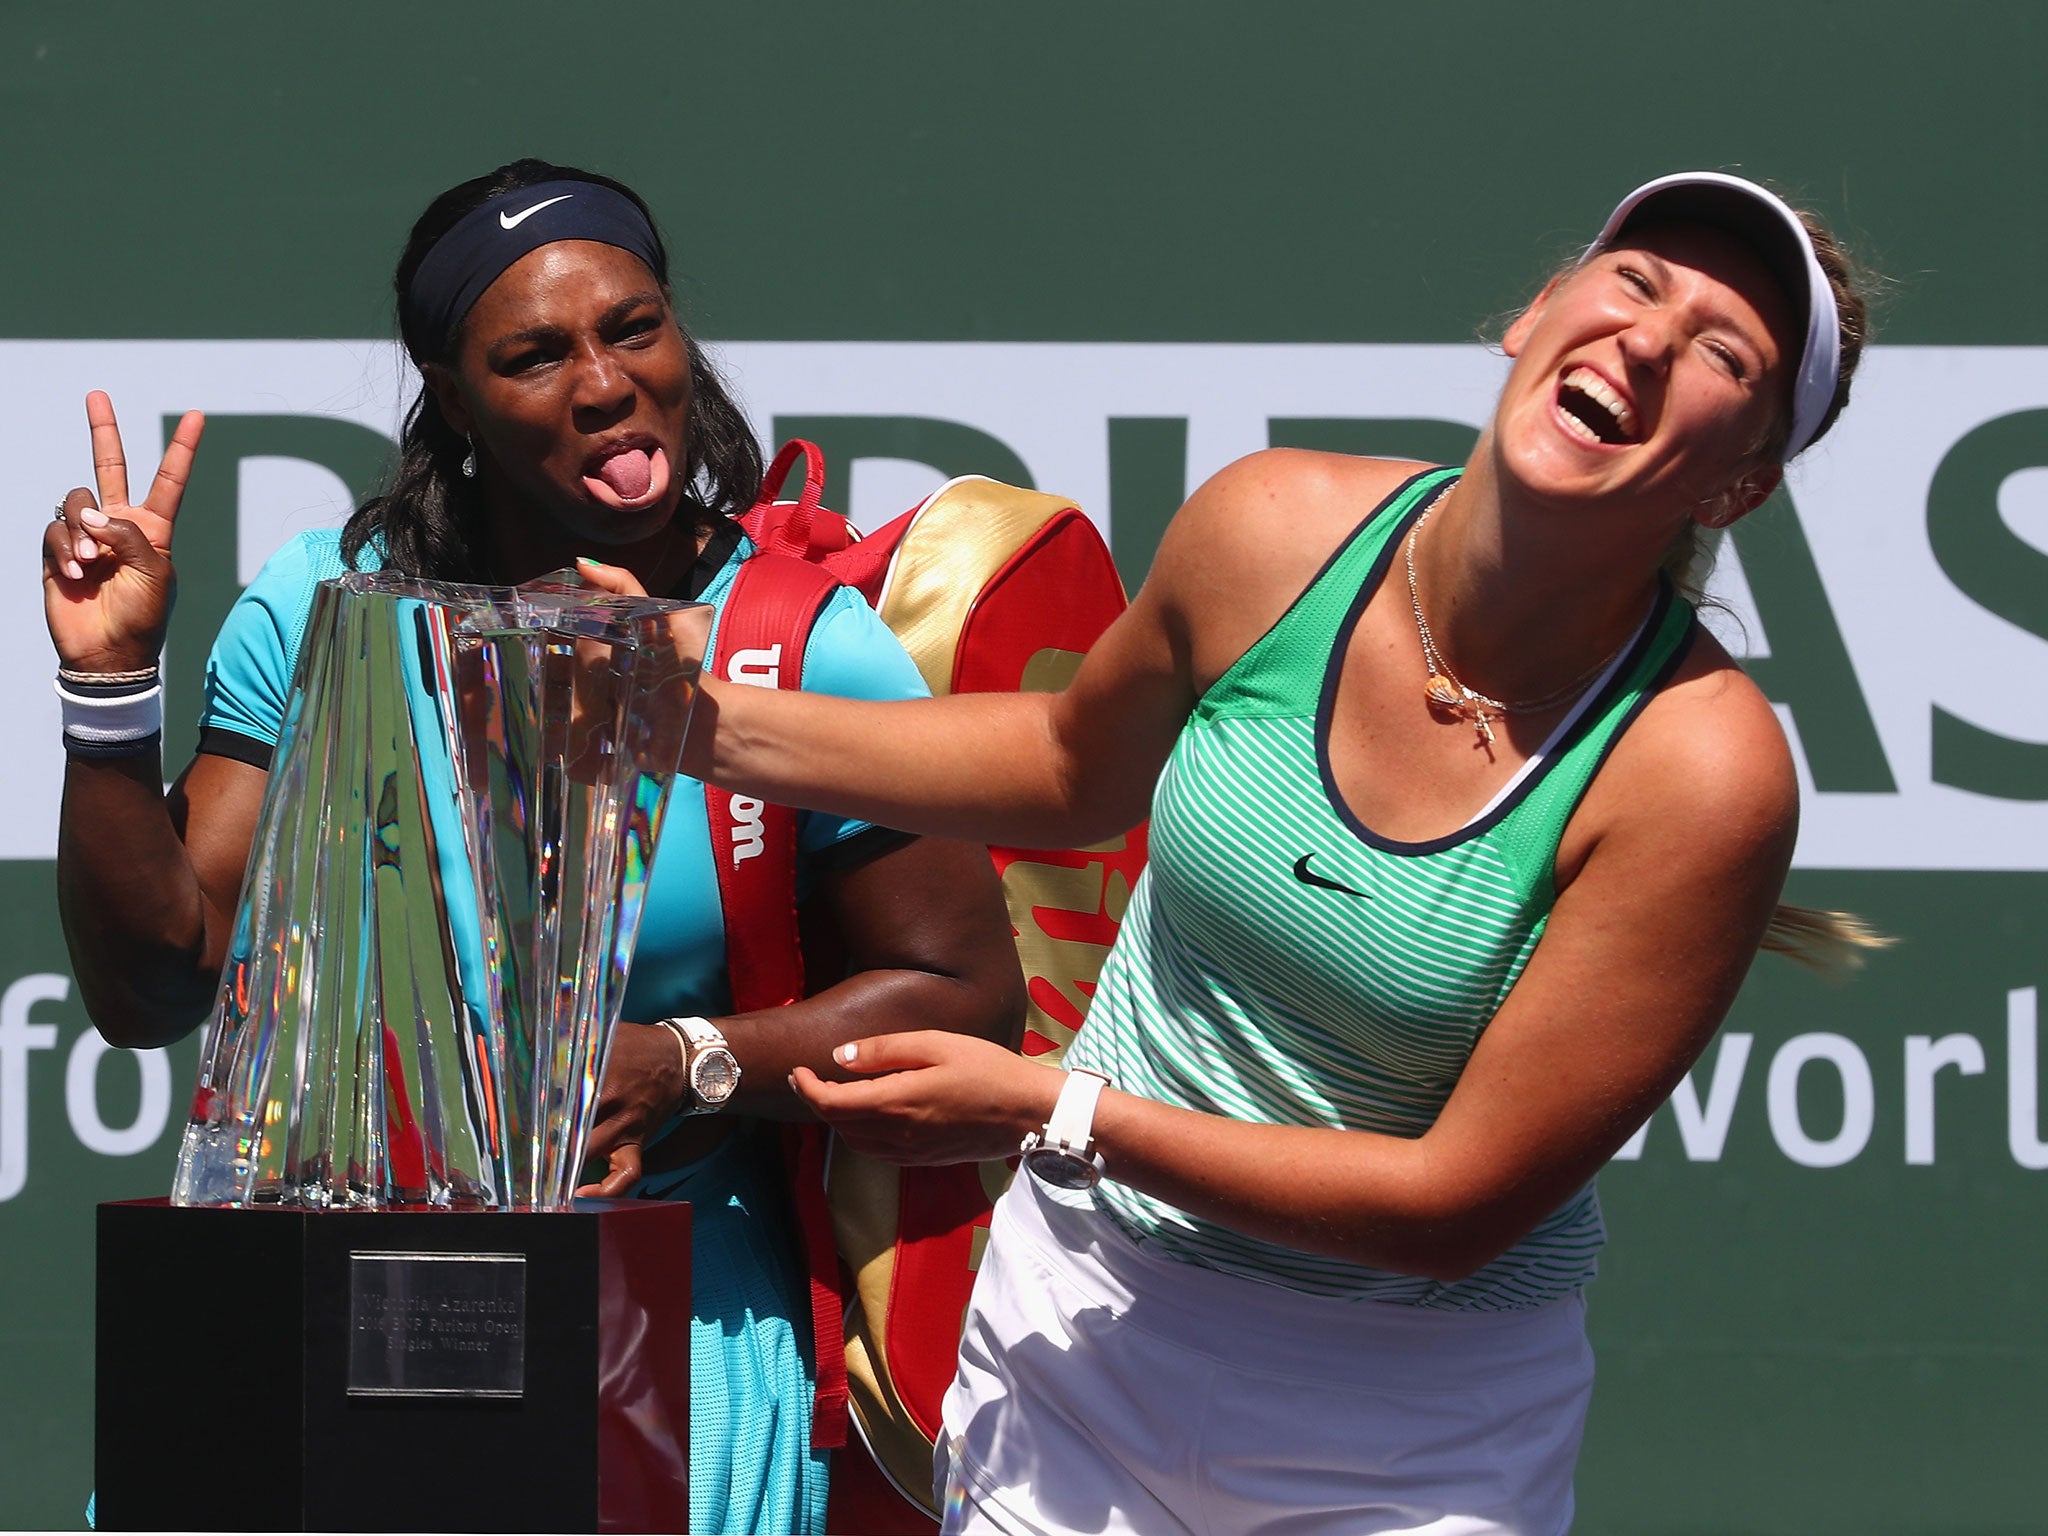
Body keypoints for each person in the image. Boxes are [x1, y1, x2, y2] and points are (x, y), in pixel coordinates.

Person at [594, 171, 1882, 1534]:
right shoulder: (1273, 526)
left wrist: (1055, 1110)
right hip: (1082, 1335)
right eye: (1635, 281)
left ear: (1742, 482)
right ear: (1535, 316)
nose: (1652, 339)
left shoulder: (1701, 771)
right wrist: (698, 720)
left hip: (1411, 1432)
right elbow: (1066, 769)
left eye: (1725, 352)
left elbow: (1454, 1205)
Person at [43, 159, 1025, 1536]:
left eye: (634, 328)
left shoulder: (799, 647)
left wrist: (687, 1063)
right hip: (319, 1300)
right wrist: (108, 693)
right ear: (451, 398)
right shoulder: (322, 605)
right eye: (533, 355)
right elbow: (152, 989)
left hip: (664, 1323)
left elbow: (969, 999)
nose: (606, 383)